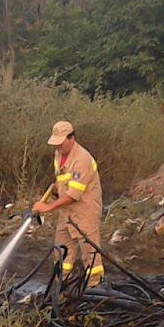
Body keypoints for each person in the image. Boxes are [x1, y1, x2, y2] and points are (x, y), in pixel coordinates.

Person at [32, 120, 104, 287]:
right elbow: (62, 181)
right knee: (61, 249)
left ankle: (95, 287)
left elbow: (73, 194)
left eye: (61, 143)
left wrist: (47, 208)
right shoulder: (58, 155)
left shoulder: (82, 159)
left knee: (90, 254)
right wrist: (52, 194)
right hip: (67, 211)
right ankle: (61, 286)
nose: (58, 147)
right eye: (56, 143)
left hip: (85, 211)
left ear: (72, 138)